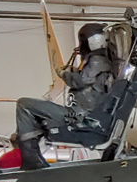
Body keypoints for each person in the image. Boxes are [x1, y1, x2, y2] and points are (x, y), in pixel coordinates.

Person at [15, 23, 121, 171]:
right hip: (84, 116)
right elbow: (86, 79)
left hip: (80, 117)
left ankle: (31, 158)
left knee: (24, 104)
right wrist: (72, 71)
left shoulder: (98, 60)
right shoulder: (103, 61)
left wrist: (63, 73)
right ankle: (34, 155)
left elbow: (80, 81)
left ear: (92, 41)